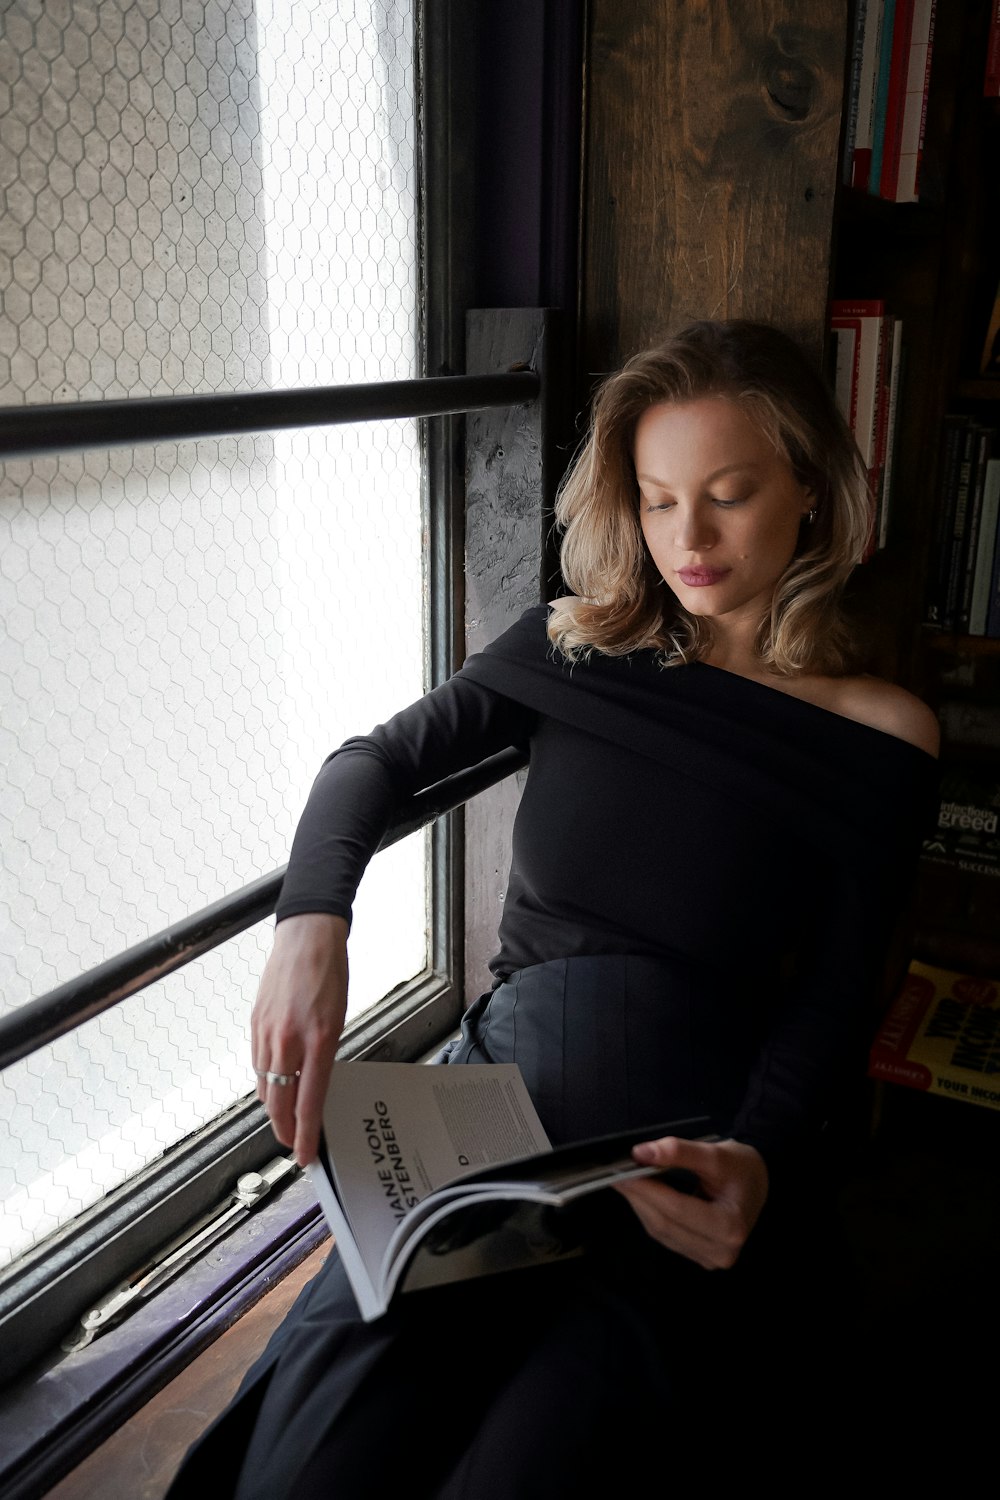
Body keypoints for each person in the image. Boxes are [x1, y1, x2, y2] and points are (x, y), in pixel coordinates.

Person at [167, 319, 939, 1497]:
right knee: (313, 1465)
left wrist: (761, 1161)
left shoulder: (880, 732)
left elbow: (838, 995)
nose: (691, 538)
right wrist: (310, 920)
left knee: (523, 1468)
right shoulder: (578, 647)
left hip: (681, 1165)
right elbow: (371, 762)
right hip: (485, 1135)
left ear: (812, 492)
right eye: (659, 497)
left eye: (729, 494)